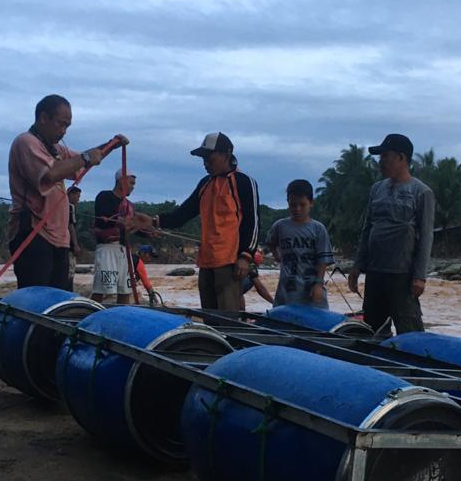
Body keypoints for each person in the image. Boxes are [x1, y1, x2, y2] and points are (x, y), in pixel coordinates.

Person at [7, 94, 123, 290]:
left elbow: (79, 162)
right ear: (43, 118)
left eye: (67, 126)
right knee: (36, 299)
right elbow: (52, 173)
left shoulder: (55, 148)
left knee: (60, 300)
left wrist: (110, 145)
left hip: (58, 238)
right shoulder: (26, 142)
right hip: (33, 233)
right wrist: (86, 157)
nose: (63, 131)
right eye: (61, 124)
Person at [133, 132, 259, 311]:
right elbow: (183, 214)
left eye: (209, 157)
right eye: (203, 158)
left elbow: (252, 223)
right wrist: (154, 221)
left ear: (226, 154)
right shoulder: (205, 184)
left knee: (229, 317)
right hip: (206, 261)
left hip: (230, 263)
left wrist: (246, 256)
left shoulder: (243, 182)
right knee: (209, 315)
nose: (205, 163)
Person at [348, 133, 434, 335]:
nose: (381, 162)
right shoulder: (376, 189)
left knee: (409, 328)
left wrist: (420, 276)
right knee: (373, 328)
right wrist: (357, 266)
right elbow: (367, 229)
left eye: (386, 156)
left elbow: (427, 237)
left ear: (402, 158)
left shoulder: (421, 192)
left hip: (402, 275)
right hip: (375, 271)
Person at [266, 179, 333, 307]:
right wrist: (276, 254)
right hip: (286, 291)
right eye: (293, 205)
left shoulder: (318, 229)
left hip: (311, 290)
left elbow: (322, 261)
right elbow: (270, 242)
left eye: (302, 205)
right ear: (288, 203)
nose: (297, 209)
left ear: (311, 203)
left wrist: (319, 284)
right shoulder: (279, 226)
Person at [92, 169, 138, 303]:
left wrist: (148, 231)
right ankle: (92, 313)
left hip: (124, 249)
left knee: (125, 289)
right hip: (107, 248)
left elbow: (133, 226)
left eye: (134, 184)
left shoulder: (130, 205)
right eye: (131, 183)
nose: (132, 187)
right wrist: (120, 219)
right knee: (102, 288)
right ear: (121, 181)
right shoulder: (104, 196)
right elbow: (102, 220)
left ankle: (123, 317)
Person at [66, 185, 82, 291]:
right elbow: (71, 226)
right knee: (70, 271)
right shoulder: (69, 206)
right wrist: (75, 245)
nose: (78, 199)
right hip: (68, 244)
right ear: (71, 195)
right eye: (77, 196)